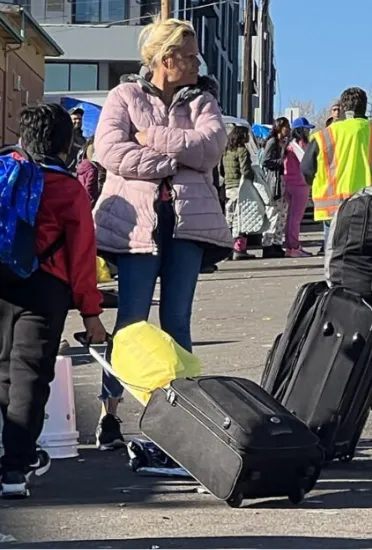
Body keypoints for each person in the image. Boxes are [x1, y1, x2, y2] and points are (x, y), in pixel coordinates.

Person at [92, 18, 230, 451]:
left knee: (177, 321)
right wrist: (172, 162)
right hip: (136, 224)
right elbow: (109, 151)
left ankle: (184, 420)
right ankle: (109, 414)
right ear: (165, 59)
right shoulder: (124, 96)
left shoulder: (203, 99)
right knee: (131, 323)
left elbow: (211, 148)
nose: (196, 63)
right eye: (188, 56)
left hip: (189, 224)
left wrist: (151, 137)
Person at [0, 103, 107, 498]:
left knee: (2, 369)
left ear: (22, 138)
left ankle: (11, 451)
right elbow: (82, 256)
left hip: (1, 282)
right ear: (66, 146)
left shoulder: (3, 173)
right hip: (45, 288)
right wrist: (90, 312)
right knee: (29, 373)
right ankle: (15, 468)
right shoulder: (68, 189)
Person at [301, 87, 372, 246]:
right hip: (367, 203)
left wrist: (317, 184)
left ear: (343, 108)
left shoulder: (324, 135)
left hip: (332, 206)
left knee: (333, 252)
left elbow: (306, 169)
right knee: (361, 252)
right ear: (364, 106)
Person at [221, 125, 256, 261]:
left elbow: (221, 170)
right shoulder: (242, 150)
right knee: (241, 218)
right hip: (240, 187)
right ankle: (239, 248)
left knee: (229, 218)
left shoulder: (226, 151)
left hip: (228, 187)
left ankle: (227, 249)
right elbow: (245, 170)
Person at [259, 117, 290, 259]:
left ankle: (277, 243)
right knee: (272, 213)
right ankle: (267, 245)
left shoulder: (284, 143)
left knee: (282, 213)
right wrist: (281, 161)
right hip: (274, 180)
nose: (287, 130)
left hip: (282, 180)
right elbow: (266, 161)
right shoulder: (272, 142)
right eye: (285, 127)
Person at [284, 117, 315, 258]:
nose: (308, 132)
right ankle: (294, 247)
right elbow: (307, 162)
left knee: (290, 217)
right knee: (296, 218)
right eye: (307, 129)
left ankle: (290, 246)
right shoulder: (300, 144)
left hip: (288, 183)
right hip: (300, 184)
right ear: (301, 130)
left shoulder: (288, 145)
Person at [76, 136, 101, 206]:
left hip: (79, 196)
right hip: (87, 201)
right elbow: (89, 187)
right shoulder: (93, 169)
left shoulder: (81, 165)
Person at [66, 107, 86, 171]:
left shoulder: (83, 139)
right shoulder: (64, 135)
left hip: (77, 172)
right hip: (65, 170)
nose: (78, 121)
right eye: (75, 119)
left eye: (79, 119)